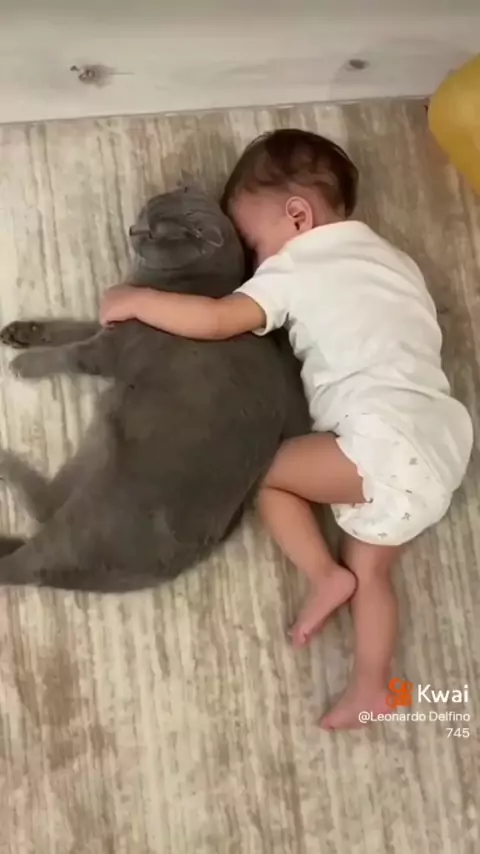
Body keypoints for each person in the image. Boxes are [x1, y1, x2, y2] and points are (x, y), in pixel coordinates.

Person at [99, 129, 473, 729]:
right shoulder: (395, 260)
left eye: (254, 244)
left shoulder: (299, 263)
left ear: (298, 216)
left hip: (383, 438)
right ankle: (372, 685)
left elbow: (218, 320)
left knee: (267, 472)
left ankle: (324, 576)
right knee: (374, 568)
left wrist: (138, 300)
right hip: (441, 441)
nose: (254, 263)